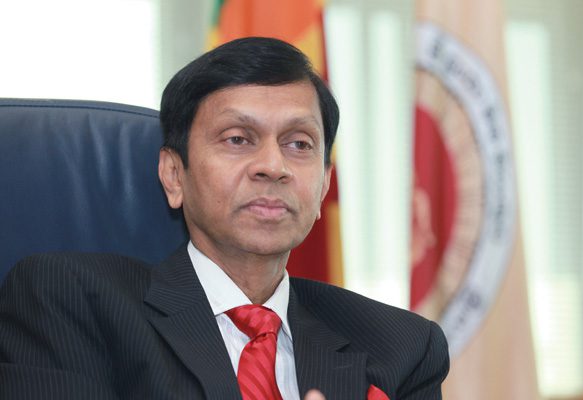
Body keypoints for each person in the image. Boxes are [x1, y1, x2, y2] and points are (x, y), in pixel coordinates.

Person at [0, 37, 449, 399]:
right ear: (174, 175)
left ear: (324, 187)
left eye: (299, 143)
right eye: (238, 139)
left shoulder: (402, 347)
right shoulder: (71, 301)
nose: (272, 166)